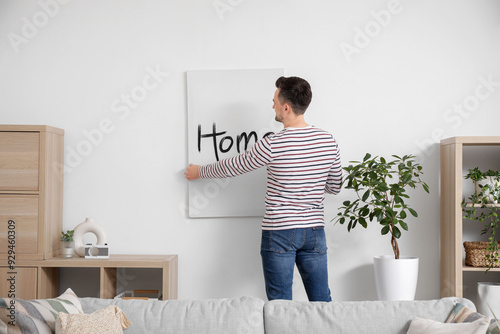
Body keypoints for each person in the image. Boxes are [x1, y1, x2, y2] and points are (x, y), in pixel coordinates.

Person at [185, 76, 342, 301]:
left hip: (280, 232)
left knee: (279, 305)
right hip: (314, 232)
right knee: (322, 302)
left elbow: (235, 165)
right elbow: (335, 186)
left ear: (286, 108)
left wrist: (199, 171)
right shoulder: (328, 141)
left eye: (275, 101)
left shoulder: (273, 144)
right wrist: (311, 181)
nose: (272, 106)